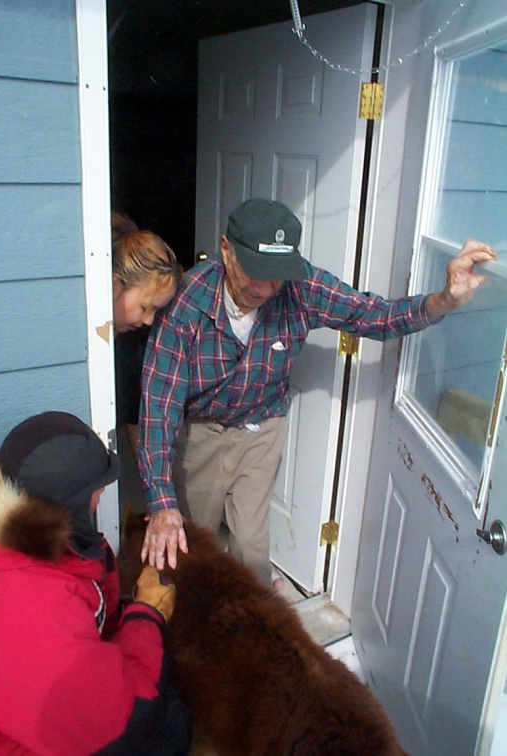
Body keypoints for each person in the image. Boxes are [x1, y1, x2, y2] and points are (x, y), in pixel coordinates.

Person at [136, 198, 496, 586]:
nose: (265, 288)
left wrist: (443, 300)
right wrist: (161, 503)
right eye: (255, 271)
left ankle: (256, 627)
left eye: (276, 274)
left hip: (261, 426)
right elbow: (159, 407)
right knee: (189, 539)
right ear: (227, 251)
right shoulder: (188, 303)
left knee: (251, 547)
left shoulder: (301, 286)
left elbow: (370, 314)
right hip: (201, 428)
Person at [0, 411, 191, 755]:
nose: (102, 493)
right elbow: (121, 722)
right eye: (97, 488)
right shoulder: (25, 610)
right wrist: (147, 613)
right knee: (169, 723)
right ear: (72, 504)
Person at [111, 213, 181, 515]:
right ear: (115, 286)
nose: (149, 320)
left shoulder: (133, 343)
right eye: (145, 307)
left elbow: (134, 411)